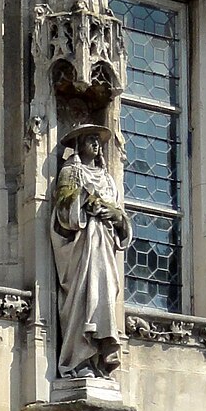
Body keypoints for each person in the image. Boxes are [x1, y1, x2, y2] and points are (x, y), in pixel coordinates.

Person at [50, 126, 131, 381]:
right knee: (83, 298)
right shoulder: (71, 172)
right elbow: (63, 212)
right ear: (79, 144)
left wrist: (117, 217)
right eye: (90, 139)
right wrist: (85, 199)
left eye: (98, 140)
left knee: (105, 294)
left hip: (104, 245)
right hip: (82, 248)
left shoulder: (107, 178)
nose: (96, 144)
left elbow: (120, 215)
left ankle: (98, 358)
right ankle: (78, 358)